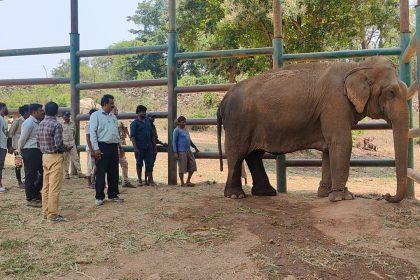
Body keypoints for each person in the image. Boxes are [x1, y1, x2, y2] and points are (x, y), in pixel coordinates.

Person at [37, 102, 71, 222]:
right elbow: (58, 144)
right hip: (55, 157)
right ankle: (52, 215)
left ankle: (45, 213)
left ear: (45, 111)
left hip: (45, 156)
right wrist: (66, 148)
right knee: (54, 187)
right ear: (57, 112)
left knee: (46, 186)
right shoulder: (56, 125)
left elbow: (38, 142)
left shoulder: (41, 123)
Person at [90, 94, 124, 206]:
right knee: (101, 172)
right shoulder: (96, 115)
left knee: (114, 172)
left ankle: (113, 195)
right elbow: (93, 133)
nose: (113, 105)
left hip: (113, 147)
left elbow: (116, 133)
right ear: (105, 104)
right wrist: (96, 149)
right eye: (111, 103)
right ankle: (99, 196)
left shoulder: (113, 117)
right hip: (102, 146)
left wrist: (119, 146)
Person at [18, 103, 45, 207]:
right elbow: (23, 138)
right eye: (40, 110)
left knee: (43, 172)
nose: (42, 112)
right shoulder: (29, 123)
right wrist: (20, 151)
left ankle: (35, 192)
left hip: (37, 151)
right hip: (29, 150)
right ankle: (30, 198)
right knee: (30, 175)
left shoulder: (38, 122)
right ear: (34, 112)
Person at [130, 105, 155, 186]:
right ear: (138, 113)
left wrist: (154, 146)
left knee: (150, 164)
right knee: (139, 163)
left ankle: (150, 180)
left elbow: (152, 136)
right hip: (139, 147)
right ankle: (140, 180)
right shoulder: (135, 123)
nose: (143, 113)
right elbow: (132, 136)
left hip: (149, 147)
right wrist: (135, 148)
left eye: (144, 112)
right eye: (142, 112)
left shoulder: (148, 122)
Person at [172, 116, 199, 186]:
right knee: (182, 168)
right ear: (179, 123)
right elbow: (174, 142)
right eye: (182, 122)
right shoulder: (176, 130)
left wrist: (194, 147)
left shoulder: (186, 129)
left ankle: (188, 181)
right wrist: (175, 152)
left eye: (185, 122)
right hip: (181, 151)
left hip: (188, 150)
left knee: (192, 165)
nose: (184, 123)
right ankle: (182, 182)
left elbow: (189, 139)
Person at [112, 107, 135, 188]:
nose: (117, 112)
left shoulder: (118, 121)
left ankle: (125, 181)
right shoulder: (110, 122)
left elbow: (125, 130)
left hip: (120, 143)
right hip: (113, 145)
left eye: (117, 110)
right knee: (115, 164)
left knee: (124, 162)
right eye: (115, 110)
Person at [9, 105, 30, 189]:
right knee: (18, 164)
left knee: (28, 164)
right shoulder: (17, 121)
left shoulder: (29, 121)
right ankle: (19, 181)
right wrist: (10, 146)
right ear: (25, 112)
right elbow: (10, 134)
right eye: (29, 111)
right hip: (18, 147)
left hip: (27, 146)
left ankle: (27, 180)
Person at [62, 111, 84, 179]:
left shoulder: (73, 124)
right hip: (64, 143)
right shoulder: (60, 124)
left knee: (76, 158)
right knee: (65, 159)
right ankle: (66, 174)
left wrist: (72, 142)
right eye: (66, 116)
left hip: (71, 143)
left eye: (68, 116)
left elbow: (74, 134)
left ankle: (79, 172)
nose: (67, 117)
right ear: (63, 116)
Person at [0, 103, 12, 193]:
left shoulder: (3, 119)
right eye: (5, 107)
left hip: (3, 146)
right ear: (2, 108)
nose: (7, 109)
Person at [85, 108, 97, 189]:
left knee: (96, 165)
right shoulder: (88, 124)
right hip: (91, 148)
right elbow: (87, 138)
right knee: (90, 165)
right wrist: (91, 150)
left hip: (96, 147)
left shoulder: (95, 123)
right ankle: (89, 182)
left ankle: (93, 179)